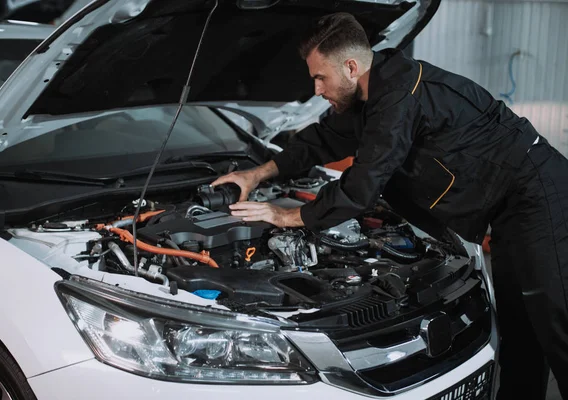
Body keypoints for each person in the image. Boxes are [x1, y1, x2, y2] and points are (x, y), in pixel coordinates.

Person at [211, 12, 568, 400]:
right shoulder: (369, 96)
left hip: (538, 192)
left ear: (350, 67)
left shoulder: (399, 96)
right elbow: (318, 141)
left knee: (556, 321)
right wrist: (254, 176)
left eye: (320, 77)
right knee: (521, 330)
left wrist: (290, 216)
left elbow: (364, 184)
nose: (315, 89)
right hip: (506, 207)